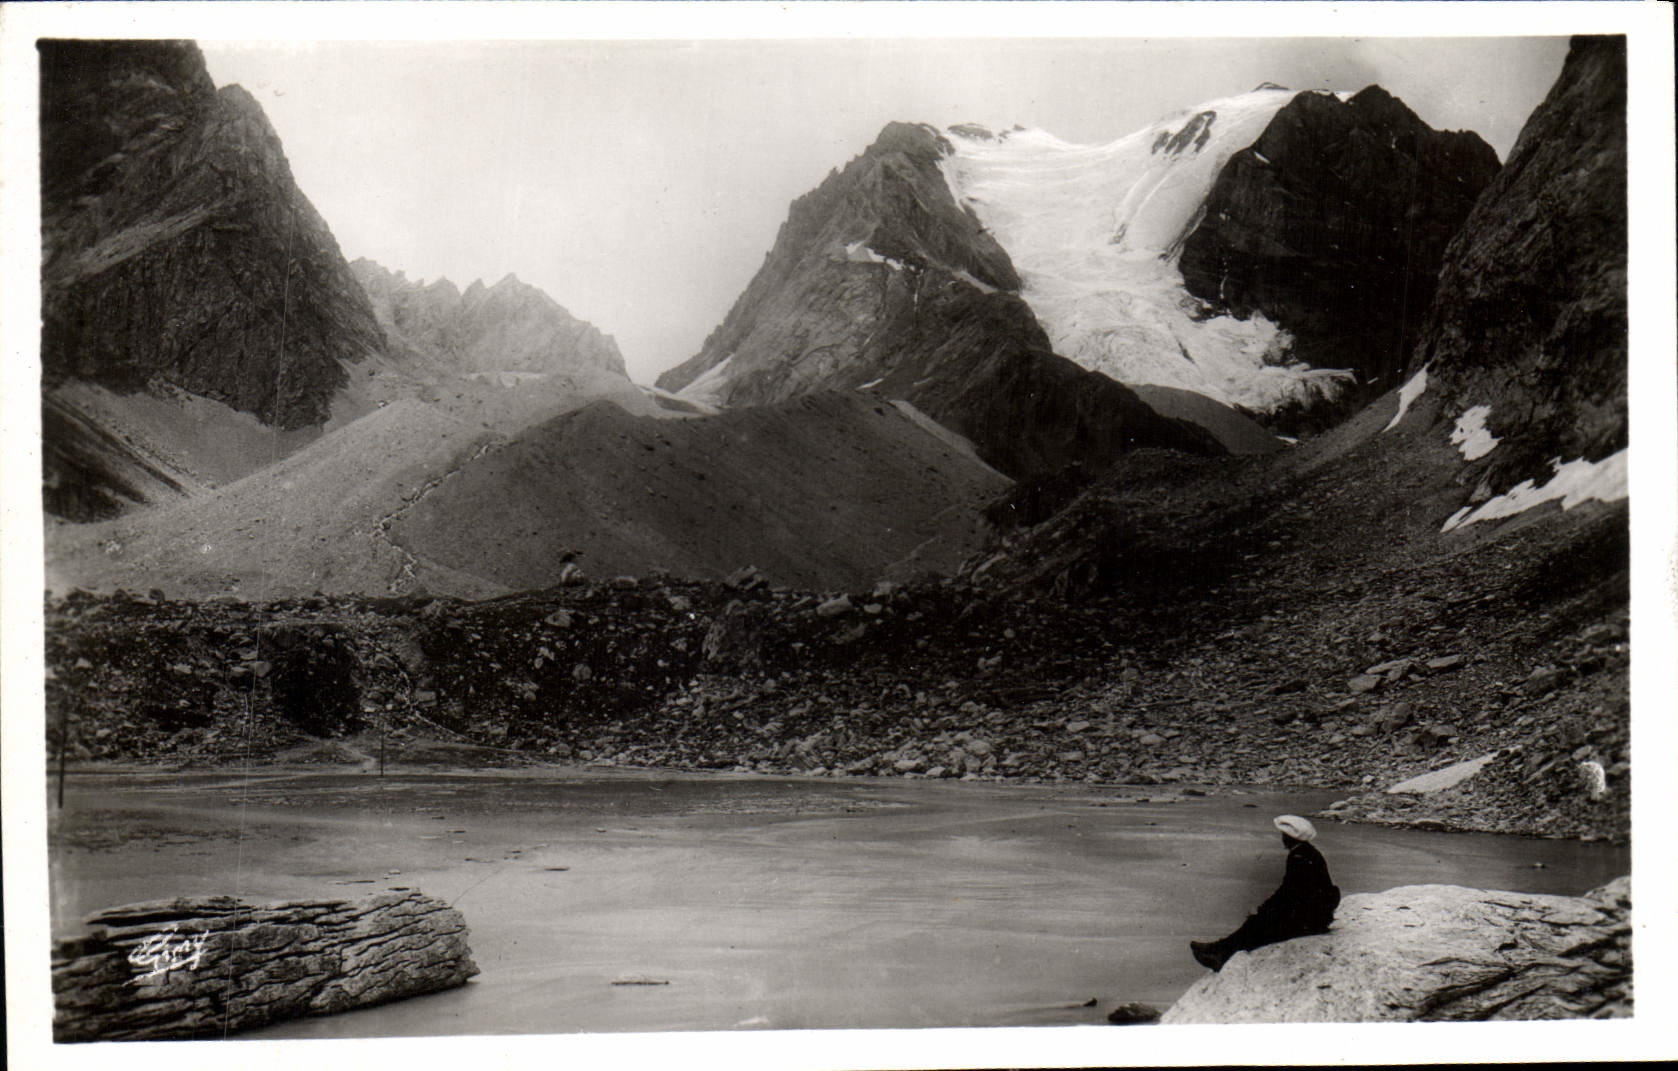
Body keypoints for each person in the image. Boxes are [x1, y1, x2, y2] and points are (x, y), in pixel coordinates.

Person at [1190, 814, 1340, 971]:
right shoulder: (1309, 853)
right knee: (1258, 922)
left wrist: (1264, 910)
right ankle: (1219, 948)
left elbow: (1288, 893)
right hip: (1316, 916)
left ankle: (1220, 952)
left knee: (1257, 923)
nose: (1282, 839)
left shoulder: (1299, 857)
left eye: (1284, 836)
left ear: (1291, 838)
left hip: (1310, 921)